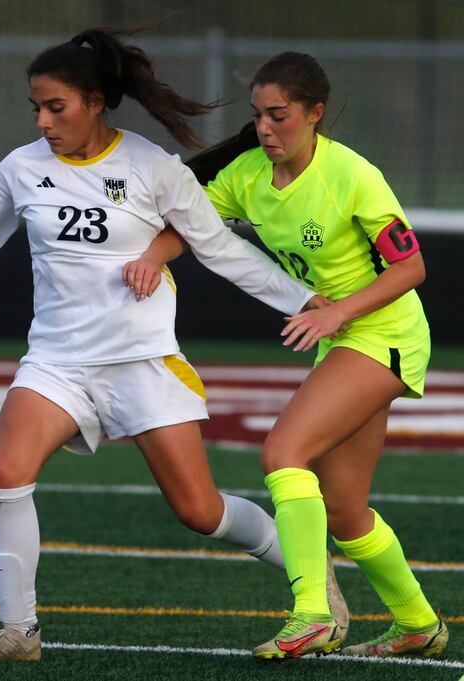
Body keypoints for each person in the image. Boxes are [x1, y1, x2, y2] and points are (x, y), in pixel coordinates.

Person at [0, 32, 342, 664]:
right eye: (36, 108)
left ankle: (311, 570)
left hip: (142, 361)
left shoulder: (152, 167)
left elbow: (219, 247)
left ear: (96, 101)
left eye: (57, 107)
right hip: (56, 362)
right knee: (5, 473)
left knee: (200, 511)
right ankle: (20, 633)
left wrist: (300, 299)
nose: (43, 122)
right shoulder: (20, 170)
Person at [124, 51, 448, 661]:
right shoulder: (247, 175)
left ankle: (312, 615)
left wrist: (336, 312)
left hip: (384, 334)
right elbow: (192, 227)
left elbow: (412, 266)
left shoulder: (353, 175)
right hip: (344, 338)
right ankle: (419, 624)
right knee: (347, 510)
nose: (266, 129)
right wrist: (153, 257)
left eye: (280, 116)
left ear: (314, 114)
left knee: (284, 451)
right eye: (259, 117)